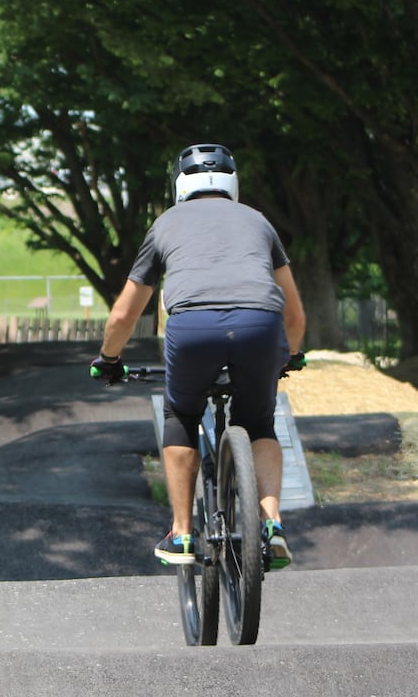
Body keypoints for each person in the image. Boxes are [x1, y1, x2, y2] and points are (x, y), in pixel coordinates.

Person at [91, 143, 306, 568]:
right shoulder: (259, 223)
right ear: (233, 183)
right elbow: (295, 313)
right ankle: (273, 525)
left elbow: (122, 315)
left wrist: (109, 360)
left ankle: (183, 534)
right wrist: (290, 356)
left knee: (182, 416)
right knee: (259, 421)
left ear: (179, 186)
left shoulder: (165, 225)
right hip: (260, 325)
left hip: (193, 329)